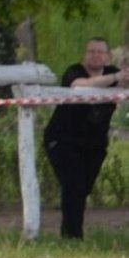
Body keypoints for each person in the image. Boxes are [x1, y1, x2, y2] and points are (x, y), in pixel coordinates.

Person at [43, 36, 124, 239]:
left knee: (82, 189)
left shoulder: (114, 72)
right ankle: (72, 237)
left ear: (107, 56)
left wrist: (123, 75)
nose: (96, 56)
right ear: (85, 54)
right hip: (63, 140)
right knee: (74, 186)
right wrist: (116, 78)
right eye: (92, 51)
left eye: (100, 52)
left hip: (94, 144)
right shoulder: (74, 71)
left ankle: (72, 233)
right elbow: (80, 86)